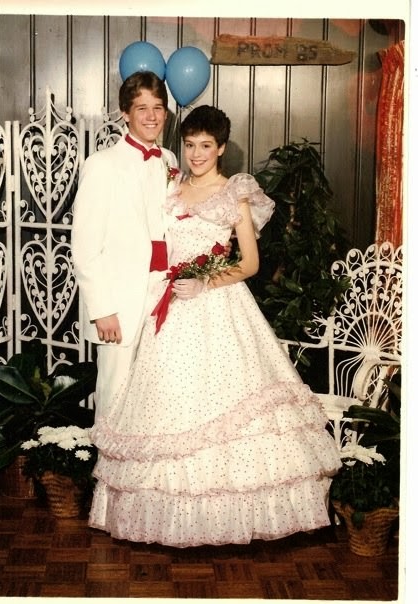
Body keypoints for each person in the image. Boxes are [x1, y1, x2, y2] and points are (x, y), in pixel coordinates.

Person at [89, 105, 342, 547]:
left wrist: (205, 283)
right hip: (169, 307)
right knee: (166, 406)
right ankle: (168, 518)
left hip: (219, 307)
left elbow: (250, 263)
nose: (196, 154)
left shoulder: (234, 193)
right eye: (189, 145)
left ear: (222, 148)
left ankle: (226, 517)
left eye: (206, 146)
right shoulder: (171, 186)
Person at [71, 71, 178, 421]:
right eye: (142, 108)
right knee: (115, 394)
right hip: (121, 302)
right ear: (125, 114)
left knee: (158, 396)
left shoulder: (170, 160)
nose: (151, 116)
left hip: (165, 293)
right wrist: (102, 308)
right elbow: (85, 247)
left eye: (158, 108)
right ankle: (107, 457)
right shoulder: (101, 165)